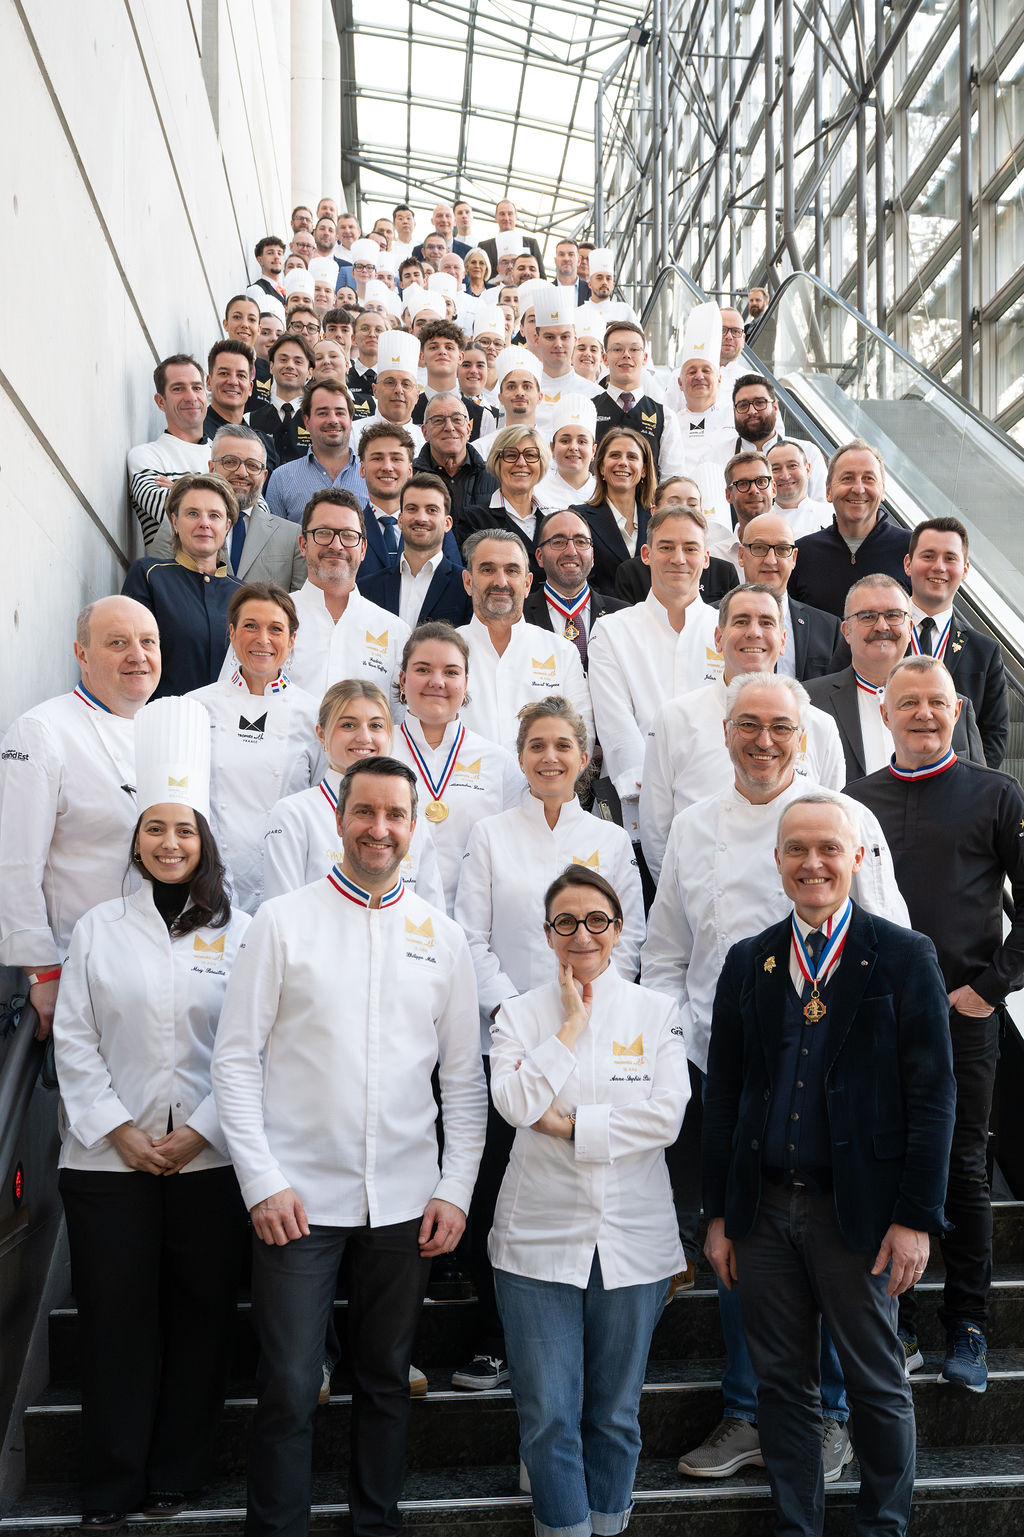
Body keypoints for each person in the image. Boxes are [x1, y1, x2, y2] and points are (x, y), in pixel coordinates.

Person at [211, 756, 487, 1537]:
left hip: (404, 1200)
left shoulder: (444, 937)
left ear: (414, 825)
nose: (379, 828)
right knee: (291, 1383)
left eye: (395, 814)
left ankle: (376, 1524)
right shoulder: (281, 922)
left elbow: (463, 1081)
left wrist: (455, 1188)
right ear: (339, 819)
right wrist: (261, 1180)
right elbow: (234, 1060)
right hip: (297, 1200)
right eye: (365, 811)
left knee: (386, 1379)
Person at [642, 681, 908, 1484]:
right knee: (736, 1248)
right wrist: (674, 1054)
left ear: (805, 734)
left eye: (780, 726)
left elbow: (891, 938)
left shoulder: (843, 818)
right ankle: (746, 1410)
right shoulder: (693, 826)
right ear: (724, 733)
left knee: (838, 1247)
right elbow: (665, 956)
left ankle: (830, 1414)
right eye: (749, 725)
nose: (764, 740)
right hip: (727, 1074)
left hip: (835, 1076)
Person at [701, 790, 955, 1536]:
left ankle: (884, 1525)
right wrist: (719, 1215)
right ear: (777, 860)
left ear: (857, 857)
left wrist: (916, 1217)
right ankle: (796, 1526)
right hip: (764, 1214)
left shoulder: (904, 956)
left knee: (875, 1382)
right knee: (782, 1385)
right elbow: (724, 1097)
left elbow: (935, 1098)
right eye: (796, 849)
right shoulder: (749, 961)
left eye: (828, 848)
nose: (812, 863)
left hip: (861, 1215)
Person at [52, 696, 249, 1529]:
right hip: (107, 1163)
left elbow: (252, 1046)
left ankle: (176, 1472)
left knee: (202, 1320)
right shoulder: (97, 928)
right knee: (115, 1323)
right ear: (136, 840)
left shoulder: (243, 932)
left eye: (185, 830)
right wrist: (121, 1129)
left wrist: (200, 1129)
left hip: (210, 1161)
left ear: (206, 840)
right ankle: (110, 1482)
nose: (171, 843)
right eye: (156, 829)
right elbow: (74, 1038)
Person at [489, 865, 688, 1537]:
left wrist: (575, 1127)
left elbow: (667, 1117)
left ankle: (608, 1524)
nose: (583, 934)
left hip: (633, 1238)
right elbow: (516, 1103)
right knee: (548, 1416)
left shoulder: (655, 1011)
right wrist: (570, 1026)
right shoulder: (519, 1014)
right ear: (548, 933)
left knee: (615, 1415)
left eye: (597, 920)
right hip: (536, 1239)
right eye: (566, 922)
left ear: (619, 928)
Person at [453, 699, 645, 1392]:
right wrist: (525, 1015)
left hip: (594, 1040)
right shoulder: (490, 834)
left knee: (579, 1184)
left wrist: (587, 1013)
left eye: (563, 745)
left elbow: (631, 938)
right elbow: (469, 936)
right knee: (496, 1187)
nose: (550, 757)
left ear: (584, 758)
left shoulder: (611, 841)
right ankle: (496, 1336)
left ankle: (583, 1336)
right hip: (508, 1037)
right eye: (536, 745)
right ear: (520, 756)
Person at [846, 656, 1024, 1393]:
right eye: (909, 702)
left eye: (937, 702)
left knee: (963, 1166)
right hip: (878, 1018)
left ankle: (969, 1324)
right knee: (886, 1162)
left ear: (958, 712)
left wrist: (990, 987)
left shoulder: (997, 793)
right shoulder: (854, 800)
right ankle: (902, 1322)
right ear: (884, 713)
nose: (923, 713)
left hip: (964, 1014)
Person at [0, 597, 161, 1039]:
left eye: (148, 642)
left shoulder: (165, 729)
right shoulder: (41, 731)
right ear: (82, 654)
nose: (138, 655)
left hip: (160, 969)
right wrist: (42, 971)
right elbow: (15, 864)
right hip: (81, 974)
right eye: (118, 643)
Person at [639, 585, 846, 881]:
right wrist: (689, 895)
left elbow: (834, 821)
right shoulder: (675, 718)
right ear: (718, 638)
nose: (754, 632)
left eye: (766, 622)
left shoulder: (819, 725)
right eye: (741, 621)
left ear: (783, 640)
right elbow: (656, 831)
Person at [588, 504, 723, 840]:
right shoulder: (612, 631)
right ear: (646, 554)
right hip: (633, 805)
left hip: (715, 804)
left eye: (690, 548)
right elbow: (615, 722)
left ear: (706, 558)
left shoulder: (727, 631)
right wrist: (651, 790)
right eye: (666, 547)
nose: (678, 558)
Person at [189, 584, 320, 913]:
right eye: (250, 626)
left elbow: (319, 805)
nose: (263, 639)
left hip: (286, 878)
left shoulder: (315, 715)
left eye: (276, 629)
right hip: (208, 878)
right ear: (232, 633)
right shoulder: (195, 707)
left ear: (292, 640)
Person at [262, 678, 444, 909]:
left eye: (376, 726)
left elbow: (431, 914)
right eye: (348, 725)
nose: (364, 737)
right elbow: (282, 914)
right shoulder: (293, 814)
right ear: (321, 734)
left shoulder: (407, 816)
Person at [390, 623, 523, 912]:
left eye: (451, 672)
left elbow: (513, 858)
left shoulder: (498, 763)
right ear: (402, 679)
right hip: (391, 917)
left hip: (473, 924)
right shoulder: (378, 754)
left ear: (466, 683)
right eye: (423, 669)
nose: (437, 682)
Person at [807, 575, 984, 779]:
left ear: (909, 628)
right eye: (867, 616)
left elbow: (978, 786)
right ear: (846, 631)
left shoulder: (953, 707)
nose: (882, 626)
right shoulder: (809, 701)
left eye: (893, 615)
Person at [457, 530, 593, 754]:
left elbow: (582, 736)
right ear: (468, 581)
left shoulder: (562, 652)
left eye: (512, 570)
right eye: (488, 570)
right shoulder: (445, 652)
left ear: (528, 583)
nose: (501, 582)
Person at [122, 474, 243, 698]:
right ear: (175, 522)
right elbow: (131, 652)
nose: (204, 523)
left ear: (227, 526)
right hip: (163, 712)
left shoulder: (244, 595)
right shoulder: (149, 575)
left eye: (214, 515)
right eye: (193, 513)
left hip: (228, 717)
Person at [284, 489, 410, 702]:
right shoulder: (270, 620)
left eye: (348, 535)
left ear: (363, 549)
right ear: (303, 544)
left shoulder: (395, 632)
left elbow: (399, 716)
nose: (336, 545)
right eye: (323, 533)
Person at [903, 516, 1008, 767]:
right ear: (908, 564)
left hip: (958, 781)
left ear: (965, 569)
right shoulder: (878, 634)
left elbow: (995, 734)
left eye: (950, 558)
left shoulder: (985, 652)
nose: (939, 567)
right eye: (928, 556)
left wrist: (969, 781)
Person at [788, 440, 911, 617]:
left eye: (869, 478)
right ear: (828, 491)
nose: (858, 489)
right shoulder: (801, 554)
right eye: (847, 478)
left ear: (882, 489)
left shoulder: (912, 548)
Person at [736, 511, 840, 680]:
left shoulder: (828, 629)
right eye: (759, 548)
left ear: (794, 558)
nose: (771, 560)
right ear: (741, 555)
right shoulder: (713, 618)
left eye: (782, 549)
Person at [358, 473, 471, 628]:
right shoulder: (367, 589)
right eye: (412, 509)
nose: (421, 518)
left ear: (447, 523)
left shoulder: (468, 588)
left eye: (432, 510)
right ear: (400, 520)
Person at [524, 509, 627, 669]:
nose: (571, 551)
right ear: (539, 556)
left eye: (581, 542)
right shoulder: (519, 617)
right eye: (558, 542)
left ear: (592, 556)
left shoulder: (623, 616)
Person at [127, 355, 212, 548]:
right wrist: (225, 494)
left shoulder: (226, 455)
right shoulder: (145, 457)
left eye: (197, 387)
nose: (191, 397)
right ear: (160, 402)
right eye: (178, 389)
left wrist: (179, 489)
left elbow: (257, 519)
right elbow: (168, 511)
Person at [591, 323, 686, 476]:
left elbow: (671, 477)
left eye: (634, 349)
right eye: (617, 349)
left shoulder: (665, 417)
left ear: (645, 358)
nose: (626, 355)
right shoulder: (589, 410)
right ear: (604, 359)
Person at [265, 378, 364, 523]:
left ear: (350, 419)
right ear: (307, 421)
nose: (333, 420)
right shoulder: (281, 479)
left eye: (340, 413)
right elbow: (274, 535)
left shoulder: (372, 476)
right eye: (323, 413)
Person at [573, 427, 657, 592]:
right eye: (615, 455)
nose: (623, 462)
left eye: (632, 457)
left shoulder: (657, 519)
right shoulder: (580, 518)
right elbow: (581, 580)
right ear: (601, 467)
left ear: (644, 470)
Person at [456, 425, 551, 562]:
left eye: (530, 455)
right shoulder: (473, 520)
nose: (521, 463)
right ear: (497, 461)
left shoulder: (551, 521)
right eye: (511, 455)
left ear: (541, 463)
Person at [413, 393, 499, 524]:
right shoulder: (410, 476)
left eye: (457, 419)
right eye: (438, 420)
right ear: (425, 432)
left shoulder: (495, 476)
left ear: (468, 429)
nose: (449, 427)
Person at [537, 395, 598, 508]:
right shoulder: (536, 492)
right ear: (552, 448)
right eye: (565, 441)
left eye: (582, 441)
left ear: (593, 450)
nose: (573, 447)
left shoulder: (605, 492)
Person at [479, 200, 546, 278]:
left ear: (516, 216)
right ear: (496, 217)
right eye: (502, 214)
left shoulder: (531, 244)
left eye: (510, 214)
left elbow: (541, 275)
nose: (506, 218)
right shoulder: (485, 246)